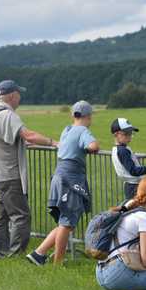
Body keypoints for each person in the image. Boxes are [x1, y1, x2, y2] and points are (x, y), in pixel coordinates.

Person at [0, 80, 59, 259]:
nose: (20, 98)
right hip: (9, 175)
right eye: (18, 94)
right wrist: (53, 142)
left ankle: (0, 253)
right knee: (20, 216)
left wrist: (22, 146)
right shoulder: (7, 116)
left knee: (0, 218)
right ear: (12, 95)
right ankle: (16, 254)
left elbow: (8, 139)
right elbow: (28, 135)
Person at [26, 101, 99, 266]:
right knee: (67, 223)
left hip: (59, 176)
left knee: (65, 222)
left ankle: (39, 254)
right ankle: (58, 263)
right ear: (88, 116)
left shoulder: (67, 130)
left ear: (73, 115)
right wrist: (91, 148)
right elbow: (93, 145)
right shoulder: (83, 130)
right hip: (71, 179)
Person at [110, 118, 146, 201]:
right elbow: (133, 171)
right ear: (116, 134)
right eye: (126, 133)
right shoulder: (123, 151)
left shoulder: (119, 149)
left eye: (131, 133)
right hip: (134, 187)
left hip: (131, 185)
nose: (130, 136)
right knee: (140, 211)